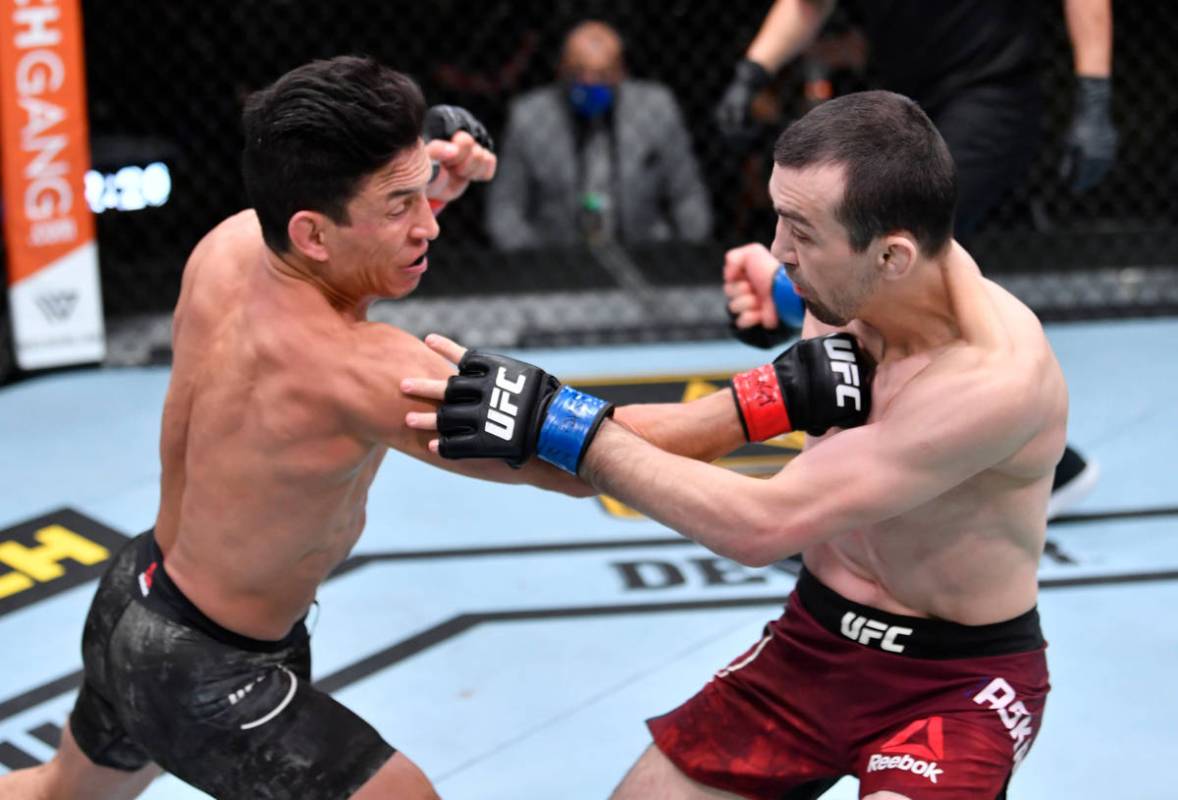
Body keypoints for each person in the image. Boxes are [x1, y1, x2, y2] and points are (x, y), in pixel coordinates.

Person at [407, 90, 1064, 798]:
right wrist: (784, 301)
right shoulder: (850, 293)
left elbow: (762, 526)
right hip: (814, 643)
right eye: (780, 219)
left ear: (891, 256)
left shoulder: (993, 382)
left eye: (801, 233)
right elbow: (684, 440)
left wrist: (565, 423)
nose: (780, 250)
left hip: (956, 685)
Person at [0, 55, 561, 800]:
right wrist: (757, 401)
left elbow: (338, 240)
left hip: (135, 597)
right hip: (206, 668)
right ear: (315, 228)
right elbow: (582, 471)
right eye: (402, 203)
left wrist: (413, 189)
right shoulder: (366, 370)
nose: (427, 219)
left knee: (53, 794)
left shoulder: (232, 244)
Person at [715, 0, 1113, 516]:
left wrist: (1095, 93)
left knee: (889, 253)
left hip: (989, 92)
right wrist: (753, 70)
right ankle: (1039, 459)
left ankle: (844, 491)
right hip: (898, 105)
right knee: (886, 270)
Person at [485, 20, 713, 250]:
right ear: (561, 69)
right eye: (578, 73)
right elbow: (505, 208)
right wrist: (533, 261)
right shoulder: (530, 117)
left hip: (644, 251)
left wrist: (683, 255)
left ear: (620, 72)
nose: (590, 83)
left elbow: (689, 195)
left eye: (602, 75)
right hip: (555, 254)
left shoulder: (656, 109)